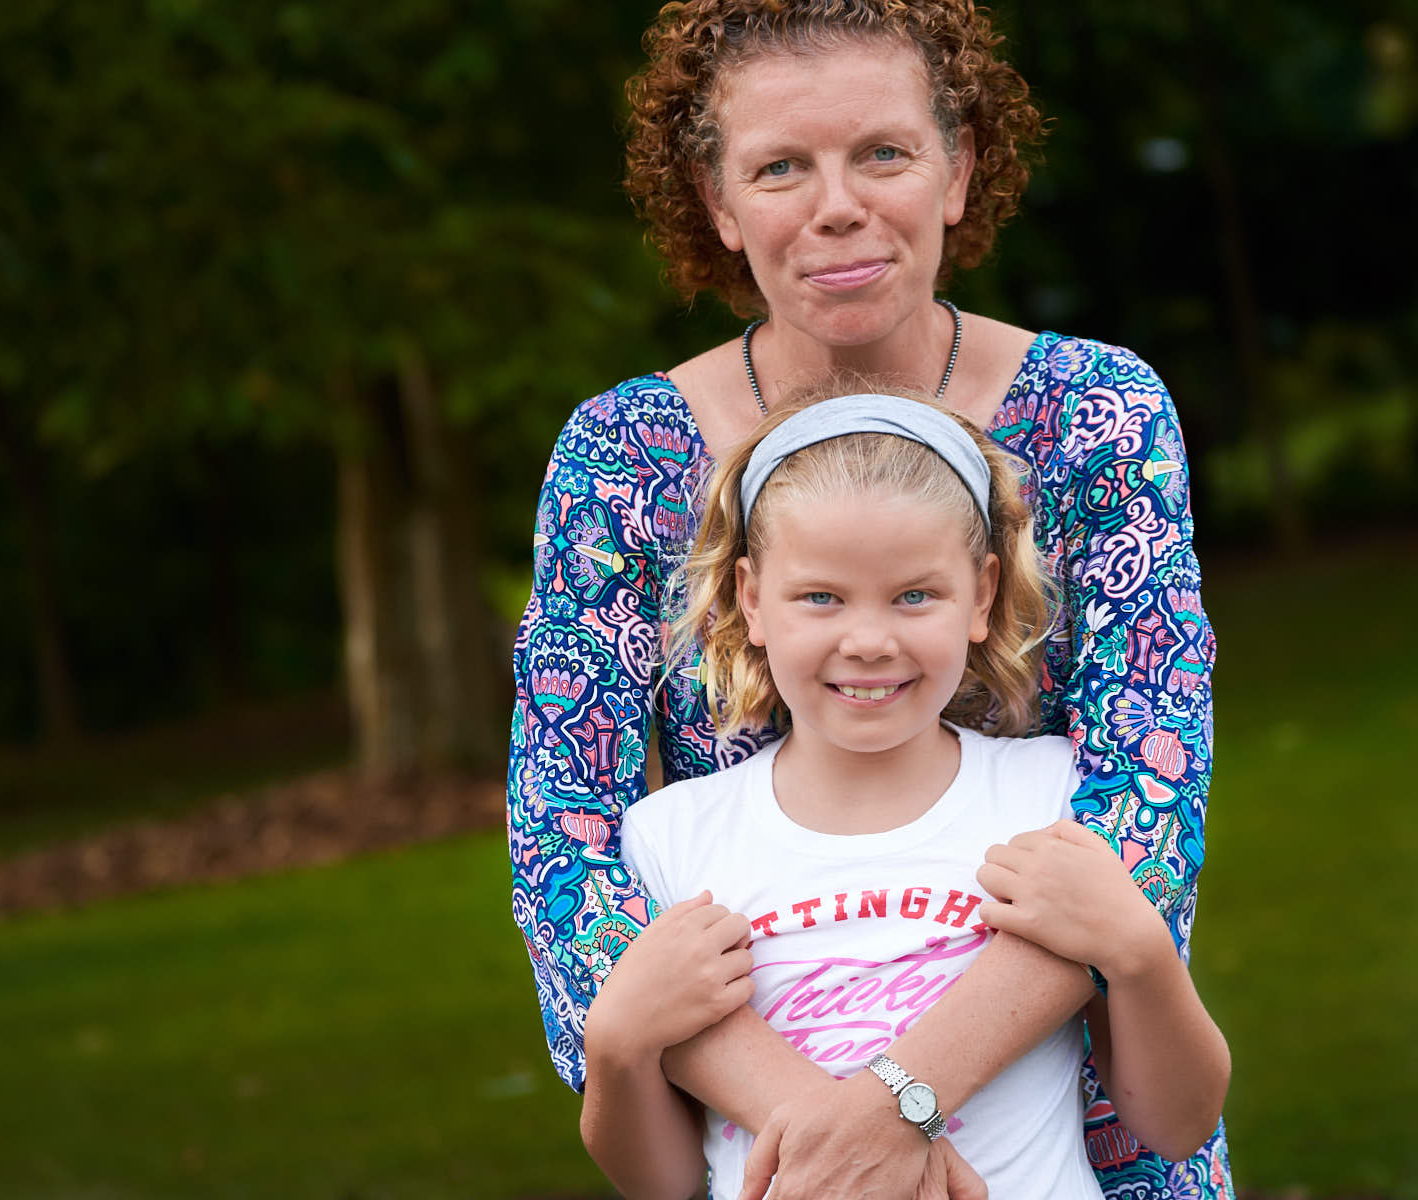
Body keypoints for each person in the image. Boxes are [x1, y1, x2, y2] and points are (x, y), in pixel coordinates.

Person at [508, 1, 1232, 1196]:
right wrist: (830, 1130)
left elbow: (1147, 799)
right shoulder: (622, 458)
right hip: (781, 1158)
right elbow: (563, 841)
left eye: (883, 152)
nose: (835, 202)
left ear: (960, 170)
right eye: (780, 165)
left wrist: (910, 1093)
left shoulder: (1097, 413)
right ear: (717, 201)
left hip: (1083, 1143)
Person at [577, 391, 1230, 1200]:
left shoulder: (1050, 799)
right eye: (821, 597)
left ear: (982, 596)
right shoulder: (674, 838)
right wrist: (614, 1044)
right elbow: (664, 1182)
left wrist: (1141, 954)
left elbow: (1177, 1123)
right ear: (751, 600)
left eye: (914, 595)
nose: (870, 640)